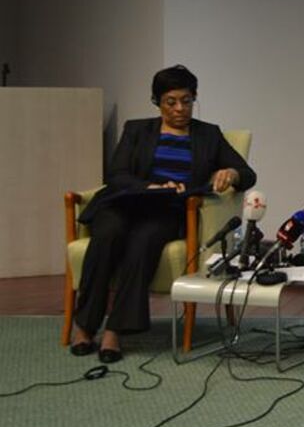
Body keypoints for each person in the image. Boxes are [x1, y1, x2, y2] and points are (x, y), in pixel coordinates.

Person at [70, 65, 256, 362]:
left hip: (167, 211)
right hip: (124, 203)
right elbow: (116, 175)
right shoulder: (136, 130)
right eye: (171, 102)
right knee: (107, 236)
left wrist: (231, 173)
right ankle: (84, 325)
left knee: (142, 242)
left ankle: (114, 331)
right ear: (157, 102)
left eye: (186, 100)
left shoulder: (208, 134)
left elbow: (248, 174)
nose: (180, 109)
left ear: (194, 98)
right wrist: (151, 186)